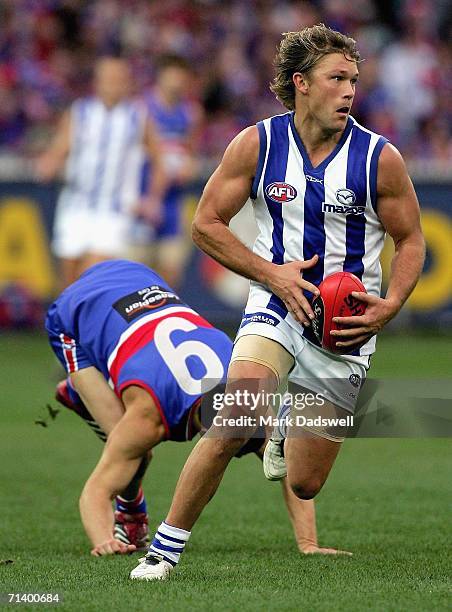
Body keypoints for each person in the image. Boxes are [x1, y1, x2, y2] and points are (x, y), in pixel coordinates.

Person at [130, 24, 425, 580]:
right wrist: (273, 275)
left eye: (354, 80)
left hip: (347, 323)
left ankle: (286, 426)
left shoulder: (379, 158)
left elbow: (411, 239)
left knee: (305, 481)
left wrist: (391, 306)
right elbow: (205, 224)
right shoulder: (257, 144)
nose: (348, 91)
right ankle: (163, 553)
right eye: (336, 79)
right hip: (276, 303)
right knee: (236, 415)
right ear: (301, 83)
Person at [46, 258, 348, 557]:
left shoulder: (244, 394)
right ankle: (129, 508)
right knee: (133, 450)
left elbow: (287, 465)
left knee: (132, 449)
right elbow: (95, 492)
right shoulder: (148, 416)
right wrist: (104, 541)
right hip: (77, 309)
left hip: (139, 275)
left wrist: (308, 543)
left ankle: (97, 392)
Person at [36, 57, 166, 290]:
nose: (113, 85)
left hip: (114, 211)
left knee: (91, 276)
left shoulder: (138, 117)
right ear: (97, 82)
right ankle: (69, 327)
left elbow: (159, 160)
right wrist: (49, 163)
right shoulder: (80, 112)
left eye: (119, 79)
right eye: (109, 79)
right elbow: (60, 148)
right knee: (67, 284)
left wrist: (152, 199)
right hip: (75, 206)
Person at [130, 54, 203, 290]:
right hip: (143, 198)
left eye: (181, 77)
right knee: (137, 269)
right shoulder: (142, 110)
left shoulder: (191, 113)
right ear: (161, 77)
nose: (176, 82)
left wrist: (188, 166)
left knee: (171, 271)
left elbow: (190, 152)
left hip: (173, 201)